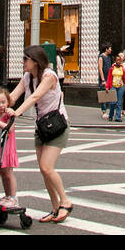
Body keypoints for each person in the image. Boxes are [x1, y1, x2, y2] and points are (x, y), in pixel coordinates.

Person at [7, 44, 73, 223]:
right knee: (44, 171)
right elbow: (13, 96)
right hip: (42, 127)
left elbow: (35, 97)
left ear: (35, 61)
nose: (23, 62)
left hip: (57, 126)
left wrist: (16, 112)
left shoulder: (49, 76)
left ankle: (65, 202)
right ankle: (54, 208)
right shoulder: (27, 77)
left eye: (25, 59)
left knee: (46, 167)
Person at [0, 87, 21, 209]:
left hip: (7, 148)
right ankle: (7, 196)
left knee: (8, 173)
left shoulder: (8, 114)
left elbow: (9, 128)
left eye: (3, 102)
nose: (1, 105)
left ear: (8, 101)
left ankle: (13, 197)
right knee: (1, 174)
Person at [104, 51, 125, 122]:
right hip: (113, 86)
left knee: (119, 102)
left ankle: (118, 117)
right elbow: (109, 78)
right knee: (113, 102)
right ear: (115, 61)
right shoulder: (112, 68)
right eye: (117, 60)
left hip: (121, 87)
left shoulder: (123, 69)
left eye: (120, 60)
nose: (119, 61)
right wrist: (107, 87)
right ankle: (110, 115)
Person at [99, 45, 115, 119]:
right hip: (104, 78)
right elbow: (100, 68)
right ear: (106, 49)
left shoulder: (109, 57)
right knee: (103, 95)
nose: (111, 50)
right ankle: (104, 111)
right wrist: (103, 79)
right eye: (110, 48)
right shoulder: (101, 57)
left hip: (109, 77)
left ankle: (109, 111)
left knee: (109, 94)